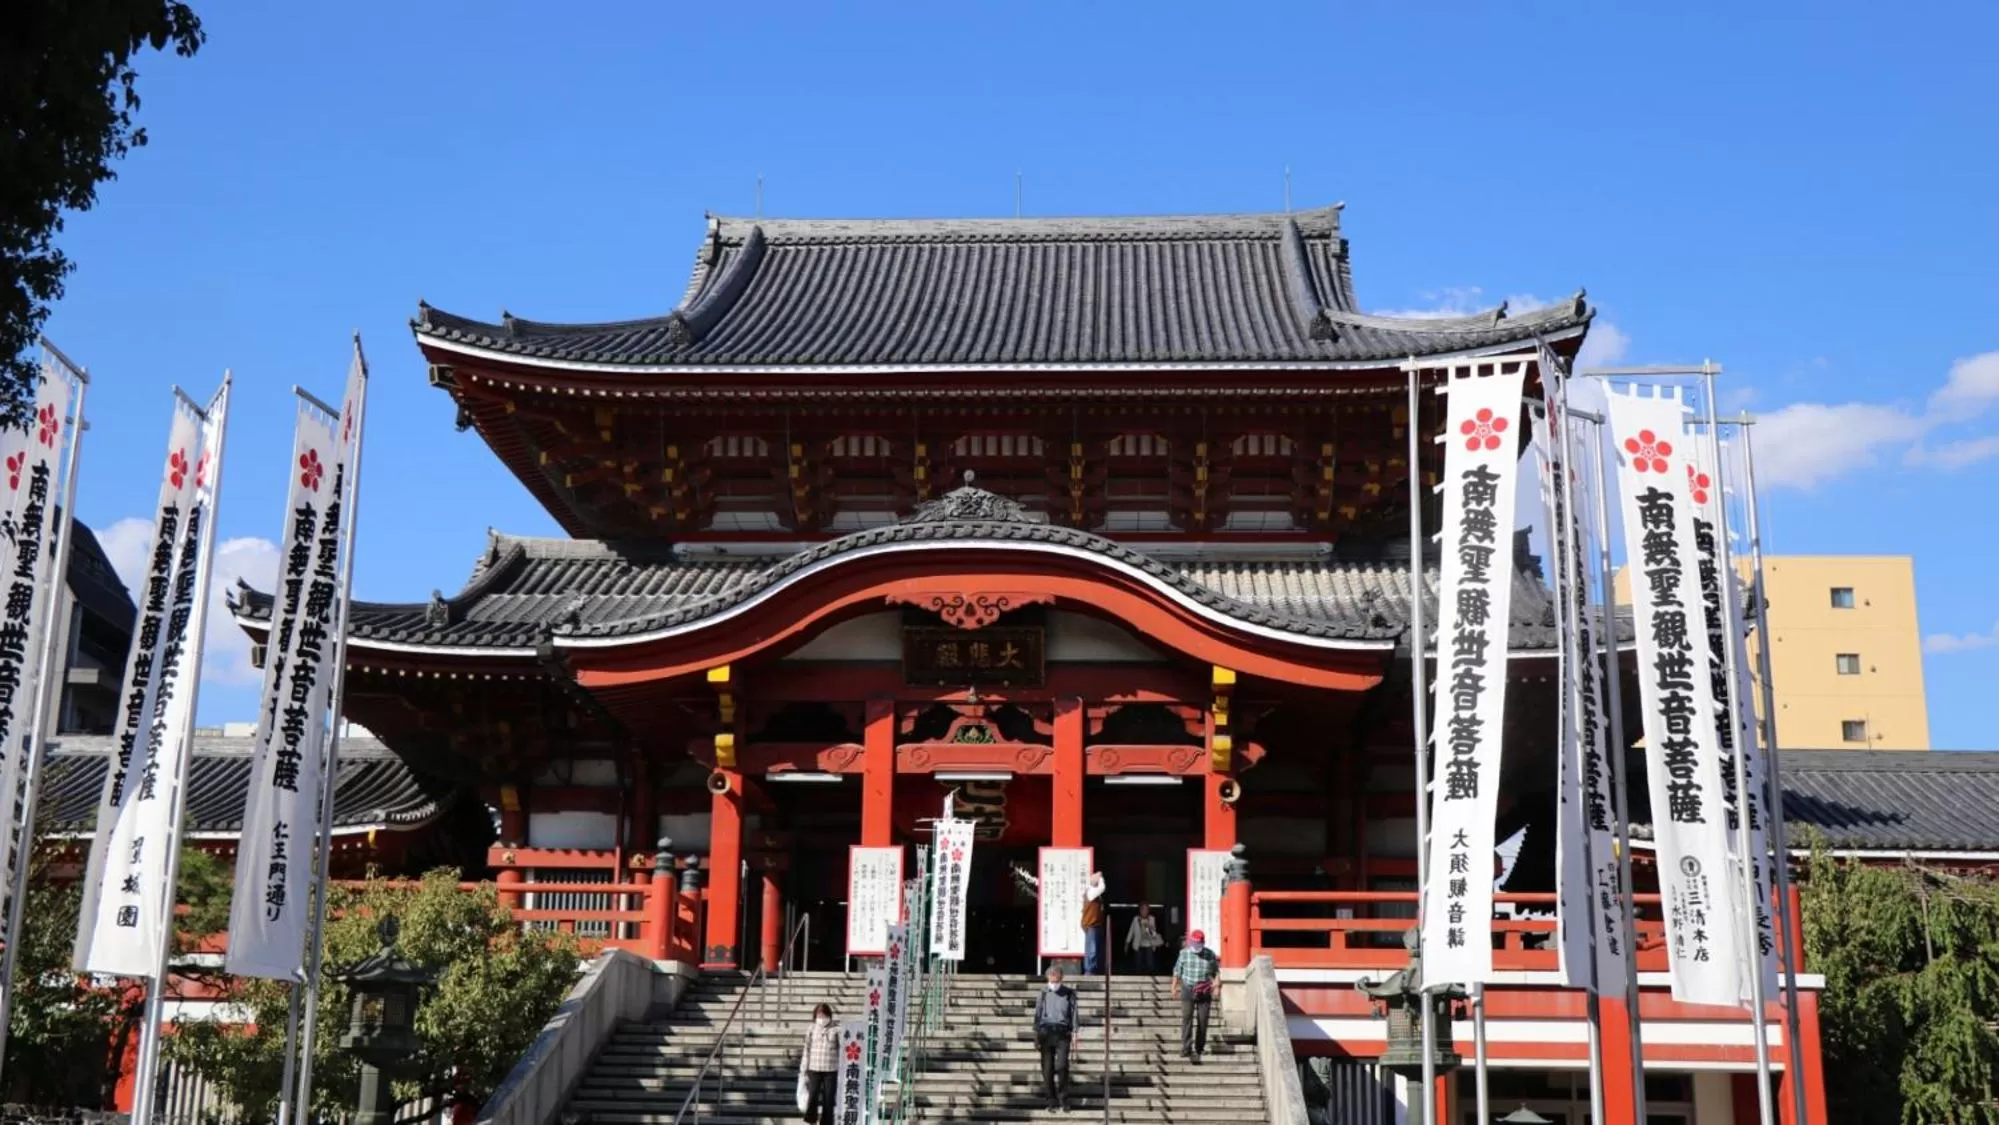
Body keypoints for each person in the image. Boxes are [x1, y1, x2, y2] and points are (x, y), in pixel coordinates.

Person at [1033, 964, 1080, 1112]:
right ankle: (1051, 1100)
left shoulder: (1069, 993)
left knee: (1061, 1066)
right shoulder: (1043, 993)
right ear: (1048, 977)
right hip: (1046, 1033)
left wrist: (1075, 1033)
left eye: (1056, 978)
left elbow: (1074, 1013)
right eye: (1051, 978)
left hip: (1062, 1033)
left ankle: (1063, 1098)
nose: (1053, 981)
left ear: (1061, 977)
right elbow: (1037, 1015)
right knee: (1047, 1068)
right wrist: (1036, 1036)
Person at [1170, 929, 1220, 1061]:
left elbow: (1216, 972)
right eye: (1194, 945)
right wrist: (1174, 987)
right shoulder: (1184, 953)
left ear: (1203, 943)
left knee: (1203, 1020)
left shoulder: (1210, 954)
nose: (1196, 948)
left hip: (1204, 989)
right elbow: (1177, 971)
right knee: (1187, 1018)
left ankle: (1199, 1048)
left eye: (1199, 945)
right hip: (1188, 988)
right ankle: (1186, 1048)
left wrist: (1216, 986)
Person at [799, 1003, 839, 1125]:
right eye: (819, 1015)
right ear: (815, 1016)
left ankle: (827, 1122)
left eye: (824, 1015)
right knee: (813, 1096)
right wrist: (803, 1068)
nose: (822, 1018)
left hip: (830, 1069)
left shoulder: (836, 1029)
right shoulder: (811, 1028)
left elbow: (841, 1048)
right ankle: (811, 1120)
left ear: (829, 1015)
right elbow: (806, 1049)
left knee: (829, 1098)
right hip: (814, 1068)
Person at [1125, 903, 1164, 974]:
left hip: (1149, 945)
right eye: (1142, 909)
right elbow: (1131, 931)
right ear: (1140, 910)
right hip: (1138, 945)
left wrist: (1146, 924)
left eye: (1146, 909)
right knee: (1138, 965)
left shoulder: (1152, 919)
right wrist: (1127, 943)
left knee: (1150, 965)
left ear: (1148, 910)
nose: (1144, 911)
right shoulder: (1135, 919)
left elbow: (1153, 933)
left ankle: (1150, 978)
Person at [1081, 871, 1107, 976]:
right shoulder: (1091, 891)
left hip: (1095, 924)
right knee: (1092, 949)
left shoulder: (1094, 893)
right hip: (1091, 924)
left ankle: (1094, 969)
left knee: (1096, 948)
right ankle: (1090, 970)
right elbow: (1102, 888)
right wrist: (1101, 878)